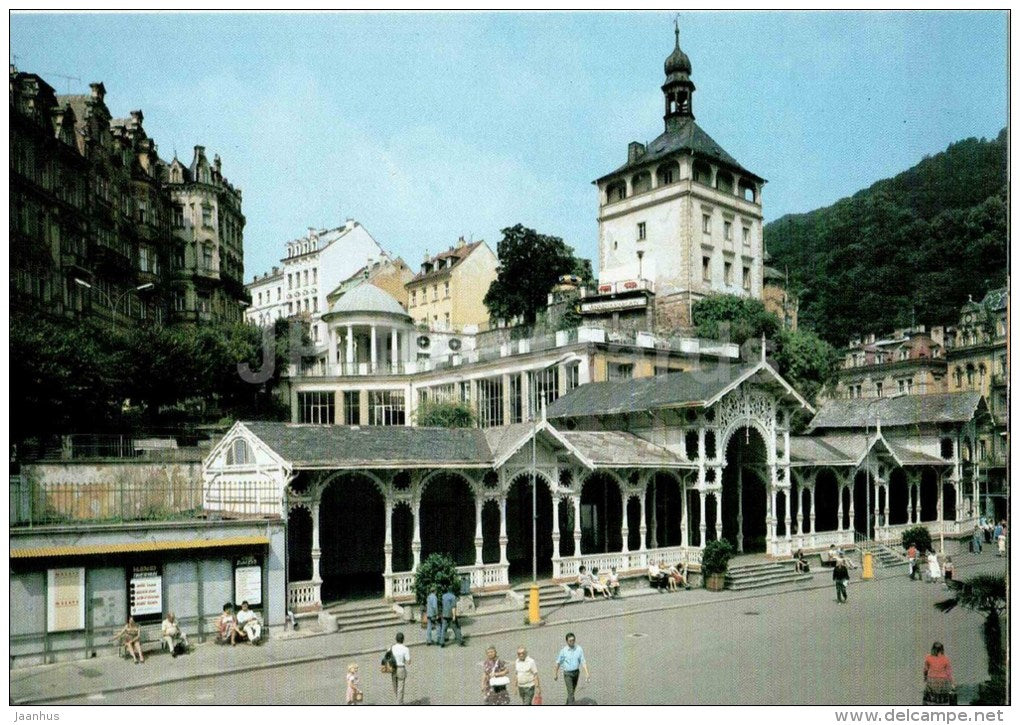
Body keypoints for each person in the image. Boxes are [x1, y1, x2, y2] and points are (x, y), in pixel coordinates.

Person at [553, 632, 590, 705]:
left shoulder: (579, 649)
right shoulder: (563, 651)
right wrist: (555, 673)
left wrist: (587, 673)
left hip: (576, 673)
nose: (572, 642)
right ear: (567, 641)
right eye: (570, 641)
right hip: (568, 674)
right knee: (571, 693)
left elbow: (583, 661)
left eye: (573, 640)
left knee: (572, 692)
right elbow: (558, 662)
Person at [387, 632, 411, 704]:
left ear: (396, 639)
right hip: (401, 668)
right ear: (403, 639)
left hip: (393, 668)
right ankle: (399, 703)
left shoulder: (391, 648)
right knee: (400, 688)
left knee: (395, 686)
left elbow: (387, 657)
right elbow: (408, 661)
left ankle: (399, 701)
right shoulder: (405, 649)